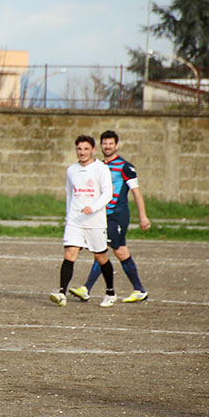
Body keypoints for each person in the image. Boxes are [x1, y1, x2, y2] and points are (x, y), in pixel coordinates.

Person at [69, 130, 151, 303]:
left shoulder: (125, 167)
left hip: (117, 214)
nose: (107, 146)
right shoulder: (98, 166)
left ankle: (87, 288)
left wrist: (143, 216)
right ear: (100, 146)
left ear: (116, 145)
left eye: (110, 143)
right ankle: (139, 289)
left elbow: (136, 192)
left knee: (103, 249)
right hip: (101, 216)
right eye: (104, 143)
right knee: (120, 251)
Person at [51, 135, 117, 307]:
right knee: (69, 254)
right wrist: (68, 217)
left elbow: (107, 194)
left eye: (86, 149)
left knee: (101, 257)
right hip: (75, 220)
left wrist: (93, 208)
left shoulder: (101, 168)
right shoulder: (71, 170)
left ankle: (110, 292)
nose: (82, 152)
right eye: (79, 149)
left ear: (93, 150)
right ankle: (62, 293)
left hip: (95, 221)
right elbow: (70, 195)